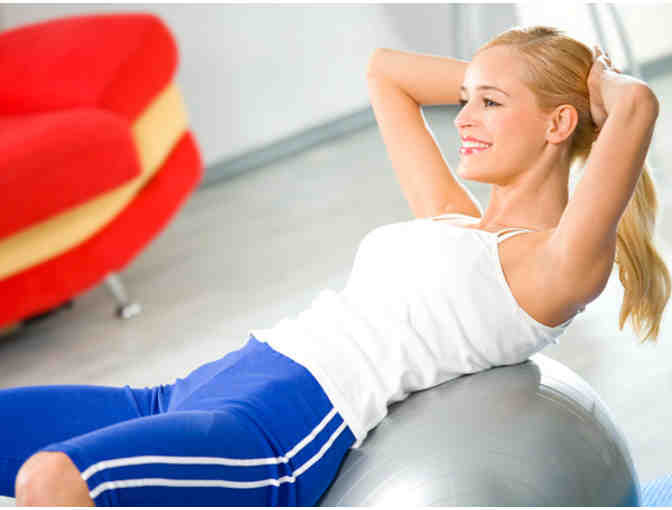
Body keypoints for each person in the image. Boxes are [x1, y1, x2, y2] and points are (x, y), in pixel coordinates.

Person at [0, 25, 667, 507]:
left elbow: (637, 104)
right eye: (466, 98)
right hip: (196, 387)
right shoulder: (450, 216)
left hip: (277, 427)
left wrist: (586, 81)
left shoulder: (553, 266)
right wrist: (511, 77)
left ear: (558, 124)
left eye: (489, 103)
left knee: (50, 481)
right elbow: (386, 72)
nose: (463, 117)